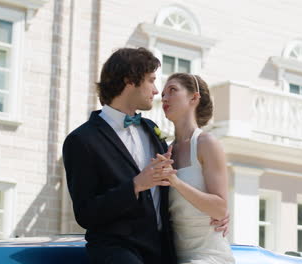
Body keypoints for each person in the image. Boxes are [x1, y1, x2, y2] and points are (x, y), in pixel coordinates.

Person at [62, 47, 228, 264]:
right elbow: (85, 214)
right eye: (151, 80)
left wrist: (219, 214)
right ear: (130, 80)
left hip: (166, 252)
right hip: (118, 252)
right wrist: (135, 185)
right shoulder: (82, 140)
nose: (157, 91)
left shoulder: (152, 131)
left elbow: (185, 190)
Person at [158, 73, 235, 264]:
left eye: (172, 90)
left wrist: (176, 182)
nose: (164, 98)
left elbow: (220, 209)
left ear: (194, 97)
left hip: (209, 257)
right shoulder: (165, 149)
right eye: (162, 95)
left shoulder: (206, 143)